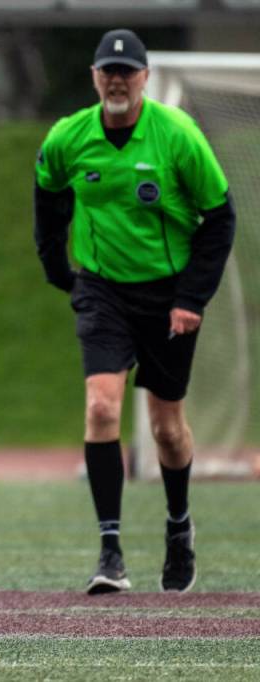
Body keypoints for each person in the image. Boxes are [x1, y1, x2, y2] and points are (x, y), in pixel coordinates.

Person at [34, 29, 235, 595]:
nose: (117, 80)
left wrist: (191, 299)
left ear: (145, 78)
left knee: (167, 430)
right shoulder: (68, 137)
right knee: (101, 407)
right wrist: (61, 273)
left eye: (128, 71)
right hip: (103, 290)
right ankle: (111, 552)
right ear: (95, 78)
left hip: (169, 294)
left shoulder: (177, 135)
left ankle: (178, 527)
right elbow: (47, 204)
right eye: (107, 71)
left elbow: (220, 219)